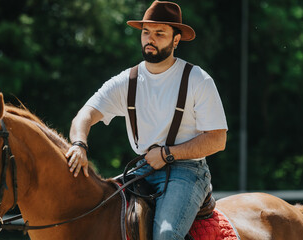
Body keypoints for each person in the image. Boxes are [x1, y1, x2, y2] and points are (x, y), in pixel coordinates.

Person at [65, 1, 228, 239]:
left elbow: (217, 139)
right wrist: (79, 144)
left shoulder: (197, 80)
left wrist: (167, 154)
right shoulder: (127, 80)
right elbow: (85, 115)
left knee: (166, 235)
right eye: (146, 32)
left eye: (159, 33)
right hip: (143, 168)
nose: (150, 39)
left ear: (176, 40)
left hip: (189, 171)